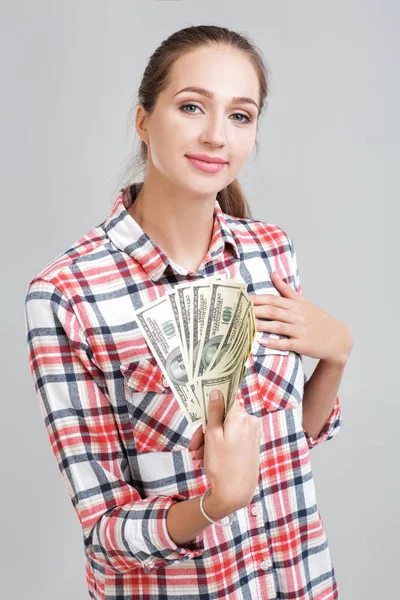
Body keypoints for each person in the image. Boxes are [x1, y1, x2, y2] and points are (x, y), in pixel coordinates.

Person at [24, 25, 353, 600]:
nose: (214, 135)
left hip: (299, 578)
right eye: (192, 106)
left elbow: (291, 438)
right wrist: (212, 504)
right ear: (144, 121)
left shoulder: (270, 251)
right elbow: (105, 534)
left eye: (240, 115)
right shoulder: (66, 294)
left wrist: (337, 354)